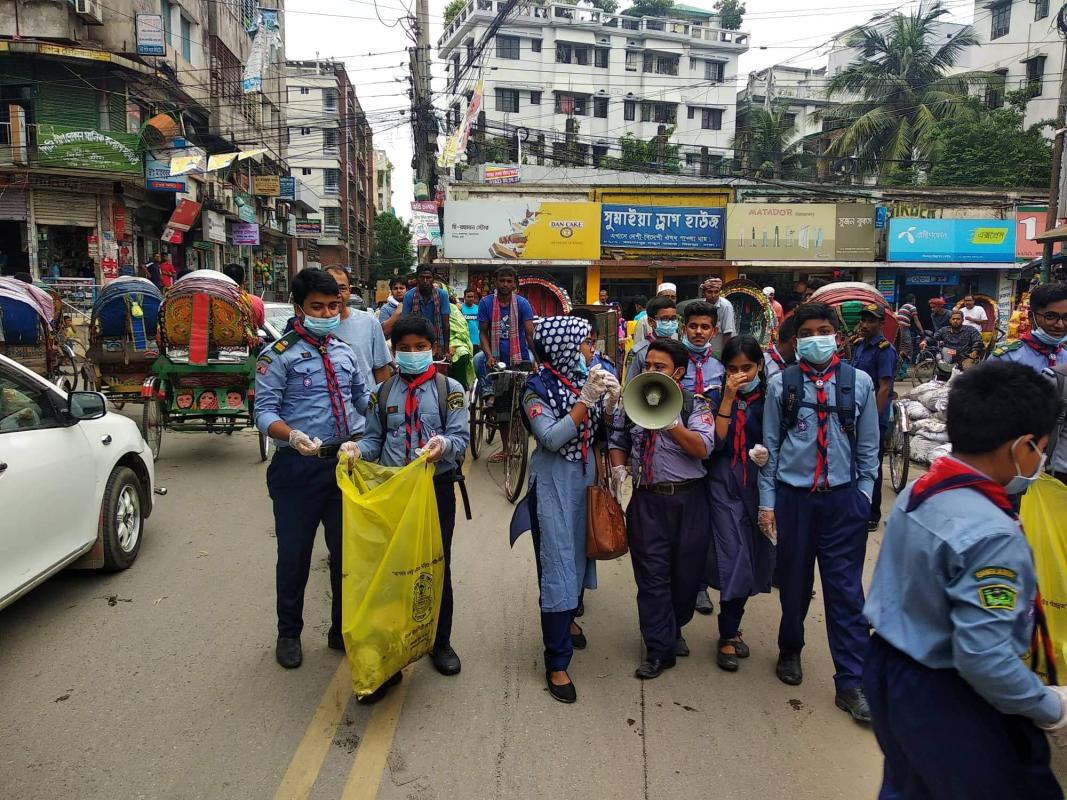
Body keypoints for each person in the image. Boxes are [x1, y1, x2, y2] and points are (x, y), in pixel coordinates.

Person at [863, 361, 1067, 798]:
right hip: (947, 692)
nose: (1040, 461)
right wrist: (1050, 707)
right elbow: (985, 657)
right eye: (1041, 449)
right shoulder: (992, 534)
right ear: (1024, 445)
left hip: (890, 667)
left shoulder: (926, 489)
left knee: (910, 783)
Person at [759, 302, 880, 722]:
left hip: (842, 501)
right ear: (796, 340)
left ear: (838, 335)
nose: (816, 338)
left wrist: (863, 495)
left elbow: (869, 447)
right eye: (808, 332)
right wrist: (767, 501)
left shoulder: (858, 383)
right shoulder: (782, 384)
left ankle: (851, 681)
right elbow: (770, 449)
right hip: (794, 500)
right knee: (793, 583)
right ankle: (790, 648)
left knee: (847, 593)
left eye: (824, 329)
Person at [341, 315, 470, 692]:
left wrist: (442, 446)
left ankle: (439, 641)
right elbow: (374, 441)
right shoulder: (381, 394)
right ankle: (394, 646)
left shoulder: (450, 390)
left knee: (434, 563)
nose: (413, 354)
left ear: (434, 349)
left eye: (420, 347)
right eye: (405, 348)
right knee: (394, 570)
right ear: (393, 351)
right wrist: (355, 450)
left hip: (436, 488)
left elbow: (459, 439)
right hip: (395, 491)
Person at [254, 268, 369, 670]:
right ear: (299, 308)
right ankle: (289, 633)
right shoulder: (278, 355)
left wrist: (382, 425)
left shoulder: (345, 351)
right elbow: (263, 413)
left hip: (343, 466)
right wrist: (293, 435)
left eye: (333, 306)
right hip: (297, 468)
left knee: (346, 555)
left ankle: (341, 628)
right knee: (295, 555)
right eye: (316, 306)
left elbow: (364, 399)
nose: (326, 312)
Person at [510, 316, 618, 703]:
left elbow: (600, 434)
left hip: (585, 477)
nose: (592, 348)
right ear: (563, 347)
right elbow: (552, 438)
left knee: (578, 556)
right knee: (557, 565)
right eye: (585, 342)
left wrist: (609, 404)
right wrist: (584, 402)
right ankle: (556, 661)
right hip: (555, 481)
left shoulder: (584, 378)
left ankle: (569, 619)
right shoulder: (534, 389)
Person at [608, 338, 715, 679]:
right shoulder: (632, 400)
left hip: (689, 499)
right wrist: (619, 468)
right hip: (648, 499)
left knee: (686, 577)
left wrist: (671, 422)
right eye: (648, 365)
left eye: (660, 367)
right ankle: (658, 648)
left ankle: (673, 625)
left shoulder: (695, 405)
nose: (651, 371)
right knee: (651, 576)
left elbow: (702, 448)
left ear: (678, 372)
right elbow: (618, 440)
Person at [706, 335, 775, 671]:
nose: (740, 375)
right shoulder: (716, 397)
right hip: (723, 482)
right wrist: (729, 398)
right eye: (732, 369)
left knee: (755, 556)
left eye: (747, 368)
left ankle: (732, 625)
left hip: (759, 484)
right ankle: (727, 632)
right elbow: (714, 445)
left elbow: (784, 439)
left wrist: (768, 455)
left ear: (759, 366)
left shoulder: (772, 398)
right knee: (735, 555)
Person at [476, 266, 537, 461]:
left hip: (518, 356)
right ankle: (488, 394)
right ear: (496, 282)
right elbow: (483, 333)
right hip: (496, 359)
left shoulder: (522, 303)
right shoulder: (486, 303)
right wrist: (488, 356)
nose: (505, 284)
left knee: (532, 389)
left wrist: (538, 359)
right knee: (478, 360)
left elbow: (529, 334)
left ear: (514, 283)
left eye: (509, 281)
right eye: (502, 280)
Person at [849, 304, 898, 532]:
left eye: (871, 321)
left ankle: (872, 513)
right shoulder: (859, 346)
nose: (865, 325)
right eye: (864, 320)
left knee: (872, 466)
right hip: (855, 413)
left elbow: (884, 388)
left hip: (874, 417)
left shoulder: (884, 350)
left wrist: (872, 420)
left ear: (881, 324)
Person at [320, 265, 393, 386]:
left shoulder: (370, 322)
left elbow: (381, 369)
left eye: (342, 288)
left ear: (349, 291)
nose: (337, 294)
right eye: (330, 288)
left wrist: (381, 401)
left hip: (365, 402)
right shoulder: (312, 326)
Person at [992, 282, 1067, 372]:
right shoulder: (1006, 358)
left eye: (1066, 318)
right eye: (1050, 316)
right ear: (1031, 317)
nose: (1060, 324)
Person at [623, 296, 678, 384]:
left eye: (673, 318)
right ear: (651, 321)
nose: (670, 323)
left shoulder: (679, 349)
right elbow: (630, 386)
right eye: (664, 319)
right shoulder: (639, 352)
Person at [679, 278, 735, 358]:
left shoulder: (726, 306)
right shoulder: (702, 305)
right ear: (704, 293)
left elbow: (728, 332)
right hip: (705, 348)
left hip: (720, 349)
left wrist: (726, 354)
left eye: (716, 292)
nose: (713, 295)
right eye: (709, 292)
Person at [402, 266, 451, 359]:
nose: (425, 281)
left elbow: (446, 324)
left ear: (433, 279)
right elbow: (405, 323)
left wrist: (446, 350)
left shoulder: (442, 295)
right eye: (422, 277)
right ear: (417, 278)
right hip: (416, 338)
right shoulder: (409, 296)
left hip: (437, 339)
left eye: (428, 278)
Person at [679, 300, 725, 395]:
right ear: (684, 329)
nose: (698, 331)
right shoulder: (673, 358)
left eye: (705, 327)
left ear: (714, 331)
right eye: (693, 326)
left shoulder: (722, 361)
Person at [223, 263, 266, 330]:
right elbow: (260, 325)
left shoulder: (216, 300)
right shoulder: (256, 302)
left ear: (223, 280)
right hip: (248, 339)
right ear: (243, 281)